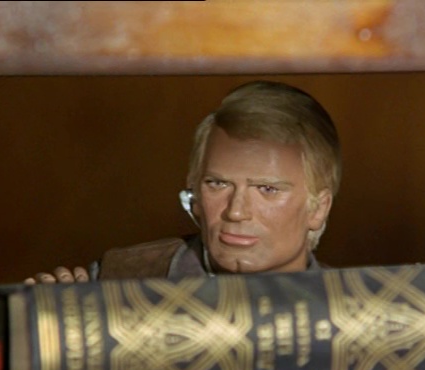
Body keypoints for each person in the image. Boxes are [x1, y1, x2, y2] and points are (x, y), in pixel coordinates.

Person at [24, 80, 341, 284]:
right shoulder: (122, 278)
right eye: (217, 184)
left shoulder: (353, 311)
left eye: (267, 189)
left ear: (318, 208)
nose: (236, 211)